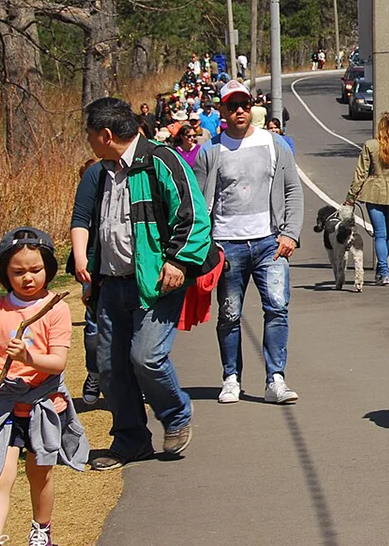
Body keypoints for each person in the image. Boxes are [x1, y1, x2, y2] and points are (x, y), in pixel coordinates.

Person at [82, 97, 214, 470]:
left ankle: (175, 415)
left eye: (91, 135)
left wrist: (177, 261)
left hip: (157, 282)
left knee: (146, 357)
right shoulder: (102, 172)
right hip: (111, 282)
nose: (89, 142)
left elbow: (193, 217)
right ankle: (131, 440)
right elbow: (95, 225)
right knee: (109, 366)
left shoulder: (160, 161)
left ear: (106, 134)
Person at [0, 228, 90, 546]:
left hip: (43, 401)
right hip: (2, 404)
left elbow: (57, 363)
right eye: (18, 272)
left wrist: (29, 356)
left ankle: (41, 530)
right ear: (5, 273)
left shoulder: (56, 308)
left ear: (48, 269)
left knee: (41, 475)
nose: (28, 278)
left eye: (36, 270)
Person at [194, 80, 304, 405]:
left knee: (277, 309)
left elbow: (293, 191)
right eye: (232, 105)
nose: (239, 111)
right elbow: (200, 205)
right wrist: (208, 244)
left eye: (244, 105)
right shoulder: (210, 152)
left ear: (252, 107)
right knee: (229, 315)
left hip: (270, 243)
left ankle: (276, 380)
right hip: (227, 246)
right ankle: (231, 378)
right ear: (222, 110)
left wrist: (290, 233)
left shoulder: (275, 144)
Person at [344, 112, 389, 285]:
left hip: (373, 192)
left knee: (379, 234)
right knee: (387, 234)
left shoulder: (371, 145)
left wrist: (351, 196)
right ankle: (383, 270)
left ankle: (383, 271)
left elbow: (361, 172)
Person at [70, 158, 104, 406]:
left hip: (128, 268)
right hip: (94, 265)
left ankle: (132, 379)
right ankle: (94, 373)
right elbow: (80, 226)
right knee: (93, 330)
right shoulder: (88, 202)